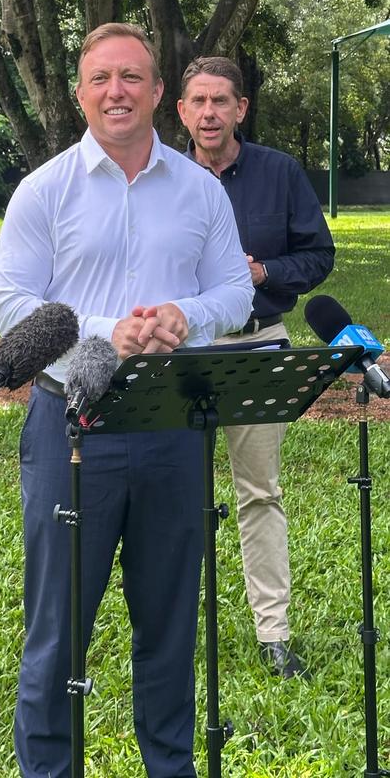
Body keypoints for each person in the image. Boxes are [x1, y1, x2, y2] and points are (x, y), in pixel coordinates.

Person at [0, 24, 254, 778]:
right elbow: (12, 304)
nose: (117, 92)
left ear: (158, 91)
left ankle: (169, 768)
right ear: (80, 92)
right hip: (74, 423)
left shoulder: (200, 190)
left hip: (175, 422)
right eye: (101, 78)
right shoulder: (45, 190)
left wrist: (186, 317)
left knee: (171, 626)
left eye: (132, 78)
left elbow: (233, 290)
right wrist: (112, 335)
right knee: (58, 626)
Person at [177, 56, 335, 679]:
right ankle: (171, 631)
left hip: (259, 344)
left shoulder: (279, 173)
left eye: (221, 101)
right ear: (182, 111)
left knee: (259, 492)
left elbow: (318, 255)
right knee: (171, 493)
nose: (209, 112)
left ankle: (274, 633)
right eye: (198, 102)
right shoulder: (158, 176)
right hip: (182, 353)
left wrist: (264, 273)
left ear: (241, 109)